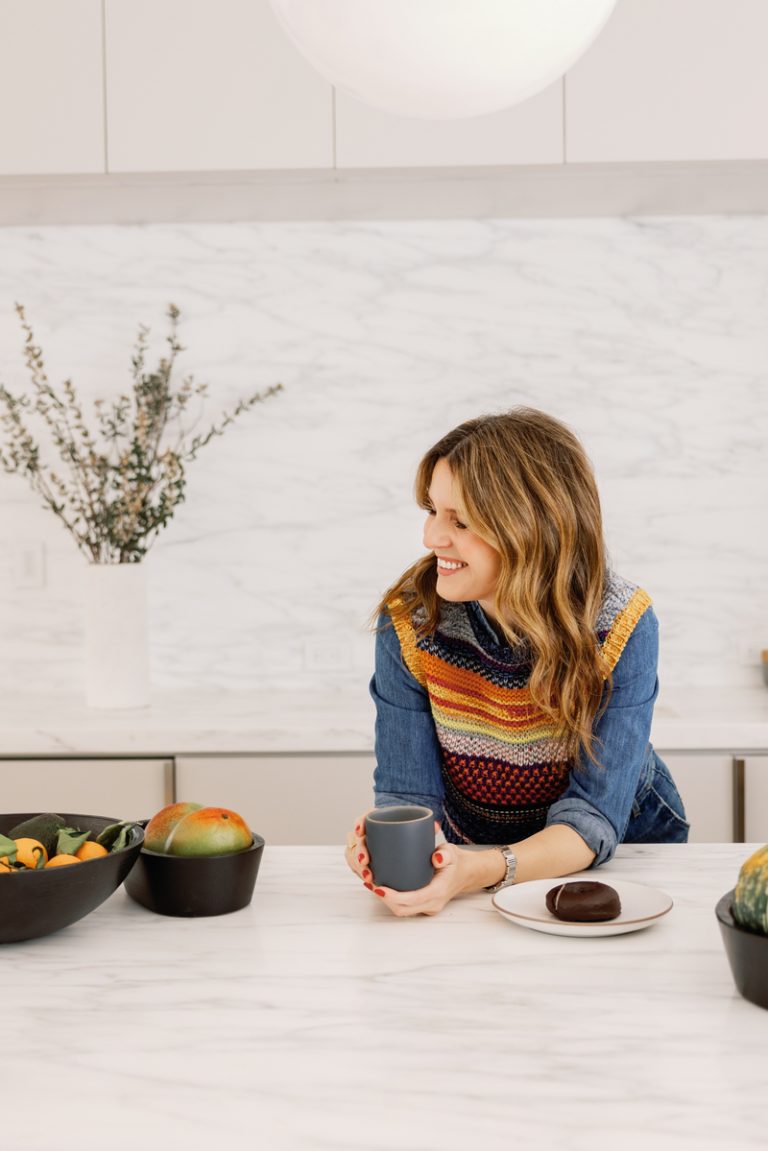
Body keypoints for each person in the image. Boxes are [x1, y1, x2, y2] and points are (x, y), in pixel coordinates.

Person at [345, 407, 689, 917]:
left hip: (624, 856)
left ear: (531, 528)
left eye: (458, 520)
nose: (431, 537)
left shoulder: (622, 623)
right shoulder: (412, 623)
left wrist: (480, 871)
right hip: (472, 858)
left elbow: (592, 815)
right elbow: (409, 795)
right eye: (431, 510)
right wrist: (389, 845)